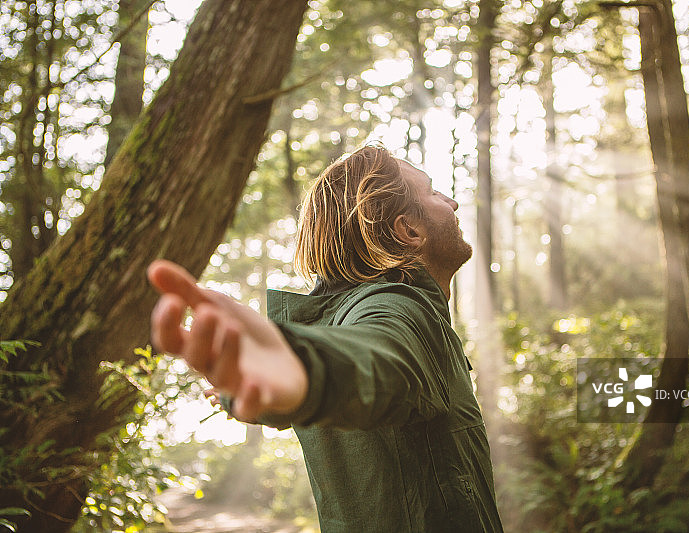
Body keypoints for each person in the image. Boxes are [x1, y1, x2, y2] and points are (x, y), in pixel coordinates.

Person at [148, 144, 504, 532]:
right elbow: (378, 358)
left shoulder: (339, 320)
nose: (452, 203)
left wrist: (289, 369)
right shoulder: (401, 308)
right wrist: (304, 364)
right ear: (409, 231)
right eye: (434, 192)